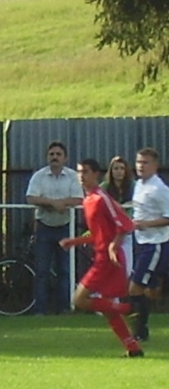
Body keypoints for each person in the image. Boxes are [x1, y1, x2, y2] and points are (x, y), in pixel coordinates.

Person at [59, 158, 143, 358]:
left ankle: (129, 308)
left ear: (96, 174)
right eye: (79, 172)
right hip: (103, 257)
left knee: (79, 300)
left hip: (109, 260)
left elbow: (126, 224)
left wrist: (115, 244)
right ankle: (133, 348)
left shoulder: (101, 198)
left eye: (85, 171)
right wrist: (76, 241)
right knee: (107, 309)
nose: (81, 176)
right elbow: (98, 233)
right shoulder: (88, 200)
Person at [25, 141, 84, 315]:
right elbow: (31, 198)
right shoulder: (39, 176)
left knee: (65, 271)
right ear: (47, 157)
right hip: (44, 227)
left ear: (65, 158)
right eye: (51, 154)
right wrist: (53, 203)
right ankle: (40, 310)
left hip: (66, 228)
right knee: (41, 271)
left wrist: (62, 204)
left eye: (58, 154)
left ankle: (64, 308)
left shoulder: (73, 176)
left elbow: (79, 200)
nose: (55, 157)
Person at [128, 147, 169, 342]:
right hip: (140, 241)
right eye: (138, 162)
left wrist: (146, 224)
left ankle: (140, 332)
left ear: (155, 165)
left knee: (134, 288)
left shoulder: (159, 189)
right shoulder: (139, 185)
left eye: (145, 163)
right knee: (150, 291)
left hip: (155, 244)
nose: (140, 166)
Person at [100, 155, 135, 277]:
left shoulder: (133, 186)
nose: (119, 171)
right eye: (116, 168)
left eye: (122, 168)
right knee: (107, 269)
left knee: (126, 269)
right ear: (111, 171)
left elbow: (138, 201)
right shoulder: (104, 187)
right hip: (109, 232)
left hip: (126, 232)